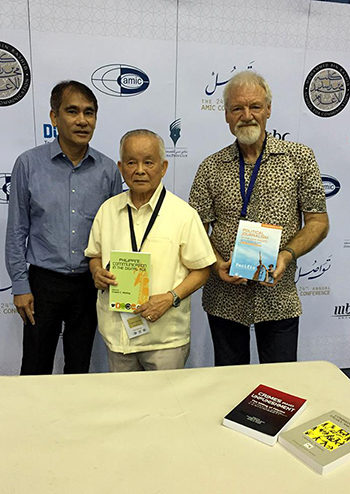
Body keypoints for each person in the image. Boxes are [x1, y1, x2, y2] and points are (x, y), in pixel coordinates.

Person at [189, 71, 329, 366]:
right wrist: (216, 264)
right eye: (237, 108)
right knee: (228, 381)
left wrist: (287, 255)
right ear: (226, 115)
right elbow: (195, 229)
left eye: (254, 106)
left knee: (279, 385)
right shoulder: (210, 167)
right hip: (224, 295)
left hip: (278, 296)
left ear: (268, 109)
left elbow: (318, 221)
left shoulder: (299, 158)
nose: (247, 115)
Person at [5, 80, 122, 375]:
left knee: (79, 366)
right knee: (34, 365)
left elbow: (114, 233)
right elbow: (17, 229)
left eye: (89, 112)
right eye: (72, 111)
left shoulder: (108, 170)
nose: (82, 121)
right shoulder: (29, 164)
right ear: (54, 117)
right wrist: (20, 285)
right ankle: (33, 421)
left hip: (88, 283)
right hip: (43, 284)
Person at [85, 129, 216, 372]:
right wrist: (96, 272)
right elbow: (95, 255)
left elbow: (202, 269)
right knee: (125, 406)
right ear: (121, 167)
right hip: (117, 333)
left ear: (163, 167)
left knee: (166, 407)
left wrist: (170, 298)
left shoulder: (183, 214)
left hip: (164, 339)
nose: (140, 170)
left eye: (148, 162)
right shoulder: (107, 210)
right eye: (131, 162)